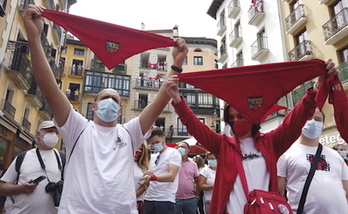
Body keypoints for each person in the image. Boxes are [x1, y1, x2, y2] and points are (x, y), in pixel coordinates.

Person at [23, 5, 188, 213]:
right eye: (105, 97)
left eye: (115, 99)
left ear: (120, 111)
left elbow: (160, 100)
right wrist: (34, 37)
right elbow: (49, 89)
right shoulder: (77, 127)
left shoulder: (129, 132)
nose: (110, 100)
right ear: (94, 106)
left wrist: (177, 63)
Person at [164, 59, 338, 213]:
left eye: (240, 116)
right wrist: (178, 101)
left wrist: (317, 87)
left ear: (252, 117)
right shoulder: (221, 145)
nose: (236, 121)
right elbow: (196, 127)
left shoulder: (272, 142)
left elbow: (296, 118)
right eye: (231, 118)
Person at [277, 108, 348, 213]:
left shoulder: (335, 155)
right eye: (308, 118)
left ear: (323, 124)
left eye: (318, 119)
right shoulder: (285, 154)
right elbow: (278, 192)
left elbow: (346, 188)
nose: (313, 122)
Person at [0, 121, 62, 214]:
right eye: (50, 131)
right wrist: (21, 188)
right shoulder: (22, 157)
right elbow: (1, 188)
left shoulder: (62, 158)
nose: (54, 135)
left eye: (56, 132)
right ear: (38, 134)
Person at [139, 128, 181, 214]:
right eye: (153, 143)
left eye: (157, 142)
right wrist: (146, 176)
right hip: (149, 198)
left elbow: (171, 176)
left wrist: (152, 177)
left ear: (163, 139)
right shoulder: (154, 156)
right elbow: (150, 176)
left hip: (165, 199)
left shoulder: (173, 153)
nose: (155, 145)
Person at [175, 142, 200, 214]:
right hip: (175, 198)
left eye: (183, 147)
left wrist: (197, 195)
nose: (180, 148)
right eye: (179, 147)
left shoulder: (193, 164)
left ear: (188, 150)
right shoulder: (173, 163)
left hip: (190, 199)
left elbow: (197, 180)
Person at [134, 143, 150, 214]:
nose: (138, 152)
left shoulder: (144, 167)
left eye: (140, 149)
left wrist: (133, 196)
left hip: (137, 202)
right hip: (120, 201)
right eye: (136, 149)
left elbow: (145, 185)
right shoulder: (121, 164)